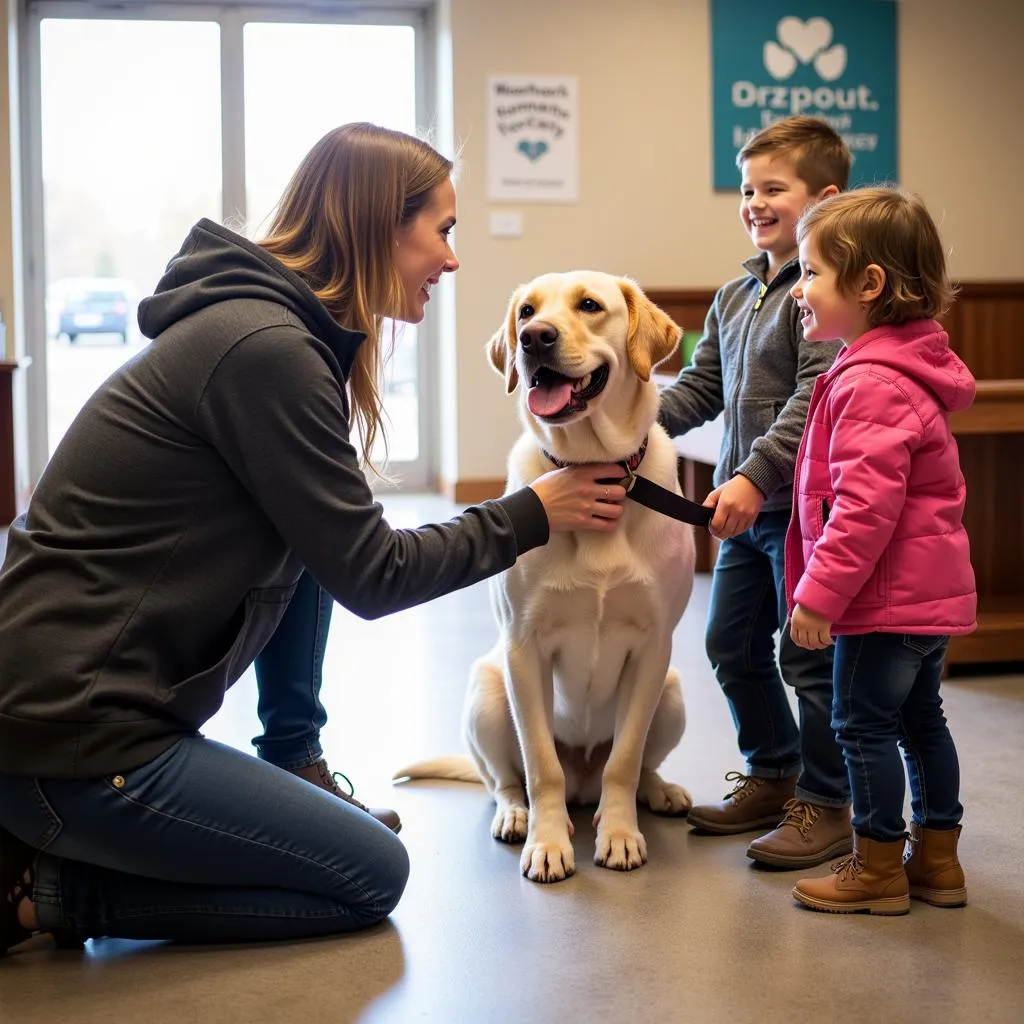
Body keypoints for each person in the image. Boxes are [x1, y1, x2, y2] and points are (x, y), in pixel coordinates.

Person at [0, 122, 630, 956]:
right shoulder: (267, 350)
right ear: (376, 225)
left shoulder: (274, 332)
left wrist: (292, 750)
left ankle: (291, 756)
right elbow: (372, 574)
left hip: (70, 720)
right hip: (73, 744)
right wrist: (529, 512)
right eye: (440, 231)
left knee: (304, 553)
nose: (451, 259)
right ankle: (44, 891)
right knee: (370, 875)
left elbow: (318, 555)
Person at [659, 115, 853, 868]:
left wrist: (748, 475)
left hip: (800, 511)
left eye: (774, 188)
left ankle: (827, 804)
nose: (754, 202)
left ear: (824, 198)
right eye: (747, 189)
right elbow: (701, 389)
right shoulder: (734, 294)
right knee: (730, 644)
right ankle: (774, 772)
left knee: (805, 659)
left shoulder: (823, 296)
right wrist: (628, 427)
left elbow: (812, 402)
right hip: (745, 514)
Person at [786, 186, 975, 915]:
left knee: (861, 725)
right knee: (921, 721)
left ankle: (876, 868)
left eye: (811, 273)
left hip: (880, 604)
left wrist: (818, 596)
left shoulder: (869, 382)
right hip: (925, 603)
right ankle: (938, 861)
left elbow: (863, 510)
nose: (799, 289)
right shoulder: (902, 369)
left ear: (868, 285)